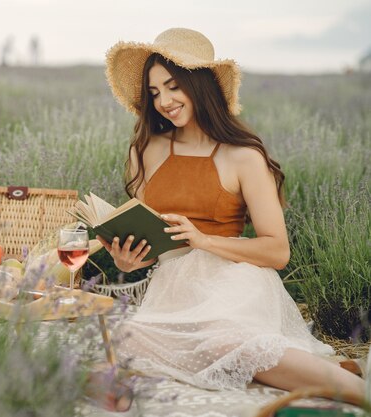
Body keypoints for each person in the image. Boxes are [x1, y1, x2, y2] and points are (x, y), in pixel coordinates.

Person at [96, 27, 365, 404]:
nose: (164, 101)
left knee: (226, 342)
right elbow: (156, 241)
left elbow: (277, 251)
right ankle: (315, 370)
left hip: (234, 278)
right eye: (155, 92)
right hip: (174, 284)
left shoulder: (243, 156)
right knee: (124, 344)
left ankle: (359, 393)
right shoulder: (146, 151)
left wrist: (203, 240)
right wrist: (128, 259)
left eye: (173, 86)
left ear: (200, 84)